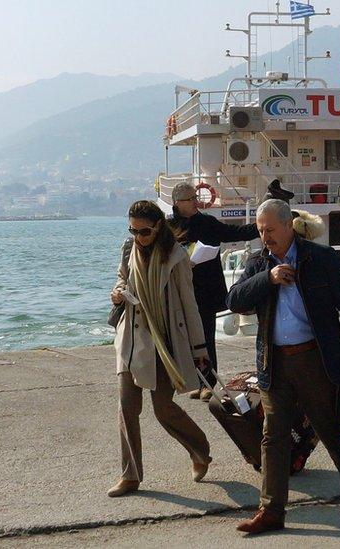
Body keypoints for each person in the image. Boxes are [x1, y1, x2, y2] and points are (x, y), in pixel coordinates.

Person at [226, 198, 340, 534]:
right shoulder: (259, 262)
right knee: (272, 437)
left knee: (329, 426)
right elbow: (234, 300)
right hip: (274, 361)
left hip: (316, 358)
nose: (266, 237)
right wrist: (268, 279)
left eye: (271, 230)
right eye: (261, 231)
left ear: (289, 225)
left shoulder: (320, 259)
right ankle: (271, 510)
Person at [107, 200, 212, 498]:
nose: (139, 236)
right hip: (130, 340)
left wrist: (199, 348)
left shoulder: (176, 257)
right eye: (133, 230)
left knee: (163, 409)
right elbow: (121, 278)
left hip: (163, 343)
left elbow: (189, 304)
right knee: (127, 408)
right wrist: (117, 293)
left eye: (144, 231)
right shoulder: (128, 250)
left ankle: (199, 449)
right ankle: (131, 475)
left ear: (158, 228)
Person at [168, 182, 258, 401]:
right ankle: (193, 382)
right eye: (190, 199)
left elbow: (235, 232)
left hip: (206, 290)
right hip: (180, 290)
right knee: (184, 338)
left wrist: (263, 224)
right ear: (178, 202)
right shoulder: (167, 227)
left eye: (195, 197)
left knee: (206, 337)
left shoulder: (207, 222)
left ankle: (208, 383)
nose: (196, 202)